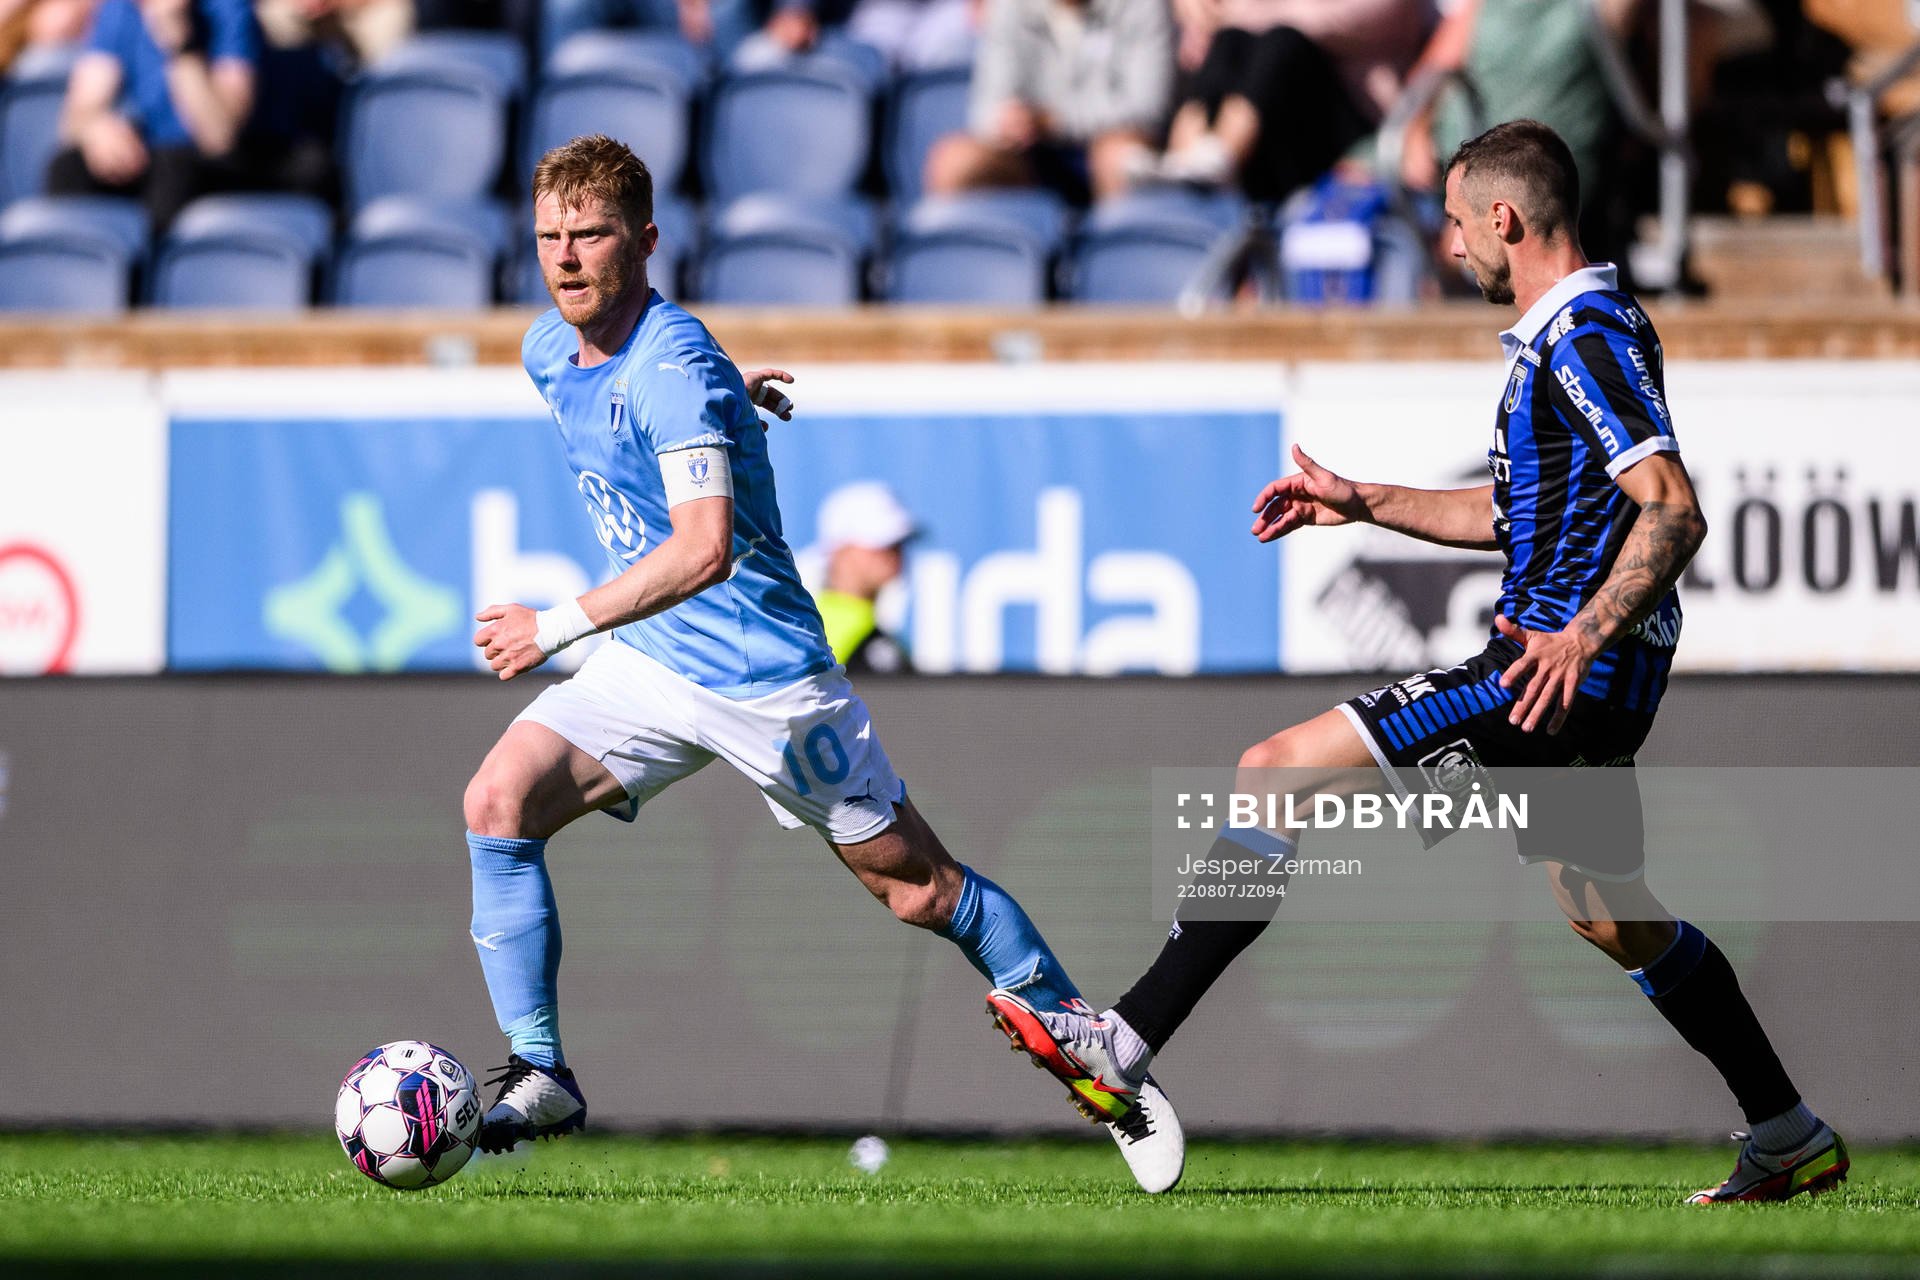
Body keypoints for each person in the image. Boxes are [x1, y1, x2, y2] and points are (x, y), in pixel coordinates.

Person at [990, 120, 1848, 1204]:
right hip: (1582, 681)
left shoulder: (1583, 333)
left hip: (1545, 673)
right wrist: (1364, 500)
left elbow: (1672, 508)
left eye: (1453, 221)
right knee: (1609, 910)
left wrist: (1581, 636)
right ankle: (1789, 1129)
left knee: (1274, 768)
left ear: (1505, 218)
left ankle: (1125, 1036)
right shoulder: (1568, 336)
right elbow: (1521, 510)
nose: (1447, 246)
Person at [464, 133, 1184, 1194]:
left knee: (922, 890)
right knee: (497, 802)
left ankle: (1097, 1053)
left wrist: (558, 621)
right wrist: (725, 406)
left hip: (766, 681)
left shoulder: (674, 368)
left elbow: (704, 549)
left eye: (593, 234)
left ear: (647, 240)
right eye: (549, 238)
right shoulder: (551, 351)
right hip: (655, 663)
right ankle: (542, 1069)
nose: (566, 257)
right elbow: (661, 411)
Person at [1136, 0, 1430, 200]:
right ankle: (1185, 153)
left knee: (1283, 41)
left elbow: (1361, 15)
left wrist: (1238, 13)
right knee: (1231, 40)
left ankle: (1223, 154)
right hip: (1281, 120)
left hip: (1356, 118)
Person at [922, 0, 1173, 203]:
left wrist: (1056, 120)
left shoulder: (1143, 5)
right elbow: (986, 108)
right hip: (1030, 155)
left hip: (1106, 142)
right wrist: (1008, 122)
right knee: (954, 163)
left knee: (1120, 157)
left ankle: (1119, 258)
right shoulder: (1008, 6)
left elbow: (1147, 107)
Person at [46, 0, 260, 230]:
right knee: (68, 166)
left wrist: (180, 46)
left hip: (206, 164)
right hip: (147, 154)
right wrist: (96, 128)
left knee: (173, 173)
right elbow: (76, 116)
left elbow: (219, 139)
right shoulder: (120, 8)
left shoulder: (227, 10)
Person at [812, 481, 916, 674]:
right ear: (840, 549)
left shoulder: (872, 632)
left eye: (898, 543)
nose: (894, 552)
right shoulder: (816, 631)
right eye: (881, 541)